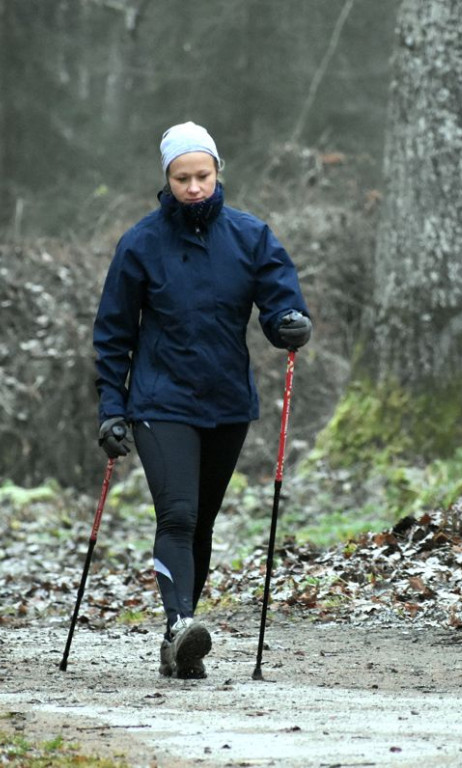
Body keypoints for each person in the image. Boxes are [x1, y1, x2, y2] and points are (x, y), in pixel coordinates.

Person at [93, 122, 312, 679]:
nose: (194, 187)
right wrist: (111, 409)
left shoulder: (250, 236)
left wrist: (288, 321)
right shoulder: (141, 242)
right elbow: (113, 332)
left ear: (218, 174)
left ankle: (181, 635)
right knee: (179, 514)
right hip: (158, 400)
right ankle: (180, 625)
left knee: (204, 523)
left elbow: (279, 300)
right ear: (166, 179)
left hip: (226, 401)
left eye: (203, 176)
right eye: (182, 178)